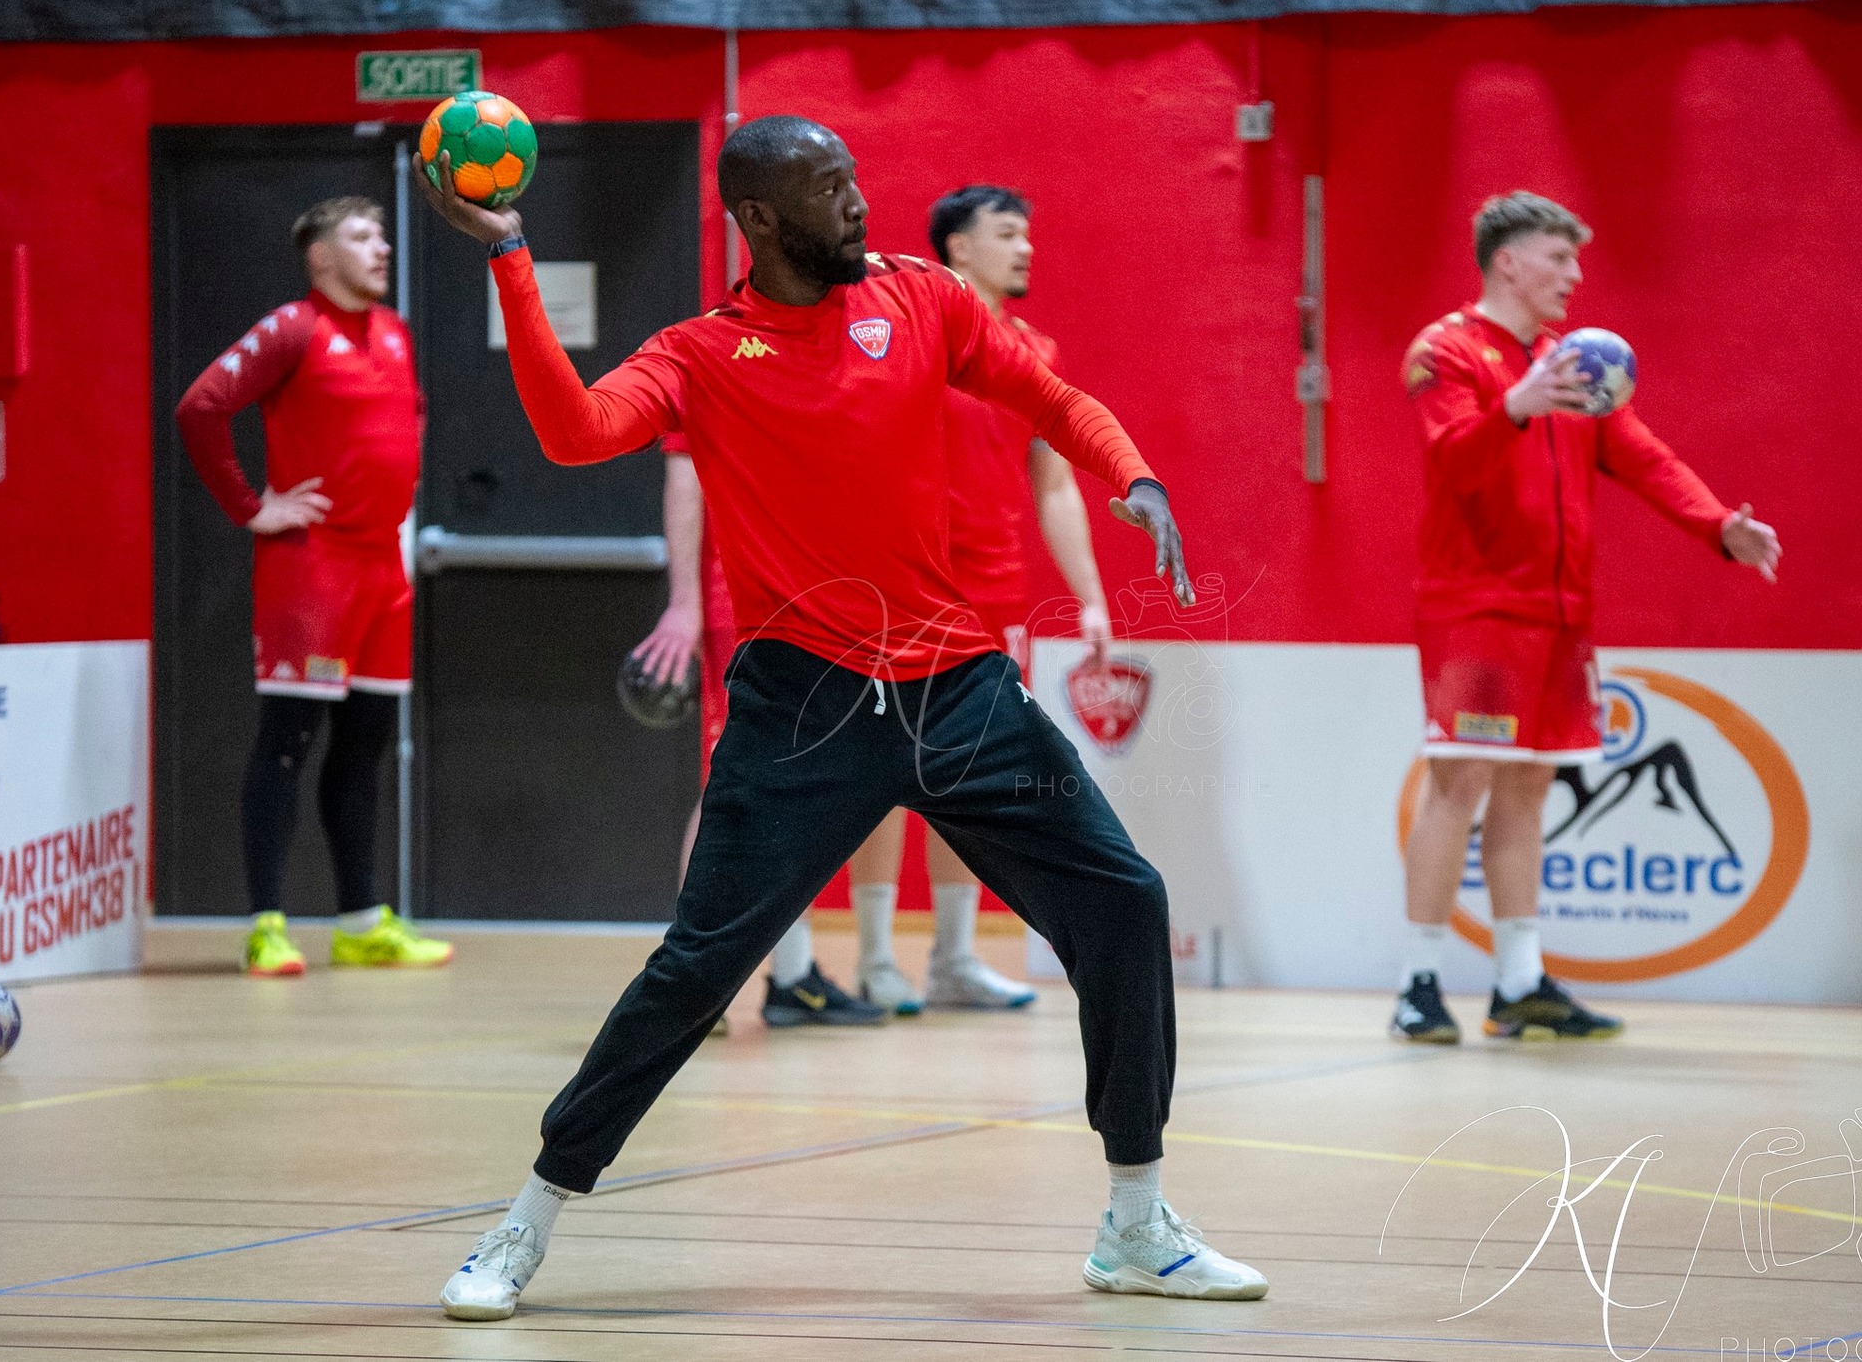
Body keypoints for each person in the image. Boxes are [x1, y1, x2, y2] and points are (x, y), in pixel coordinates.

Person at [420, 115, 1266, 1319]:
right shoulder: (701, 353)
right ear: (761, 220)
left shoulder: (922, 299)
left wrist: (1130, 473)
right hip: (801, 708)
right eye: (828, 189)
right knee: (695, 969)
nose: (859, 203)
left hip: (955, 688)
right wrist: (509, 253)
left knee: (1123, 903)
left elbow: (1046, 393)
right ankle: (524, 1223)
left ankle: (1135, 1219)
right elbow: (573, 431)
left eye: (854, 178)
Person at [1392, 190, 1781, 1044]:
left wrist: (1719, 523)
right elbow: (1452, 463)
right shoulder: (1444, 351)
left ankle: (1519, 981)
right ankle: (1417, 982)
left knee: (1531, 785)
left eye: (1576, 259)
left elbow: (1641, 452)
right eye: (1559, 257)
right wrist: (1517, 407)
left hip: (1563, 614)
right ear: (1508, 262)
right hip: (1478, 609)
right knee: (1461, 778)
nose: (1575, 275)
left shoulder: (1577, 361)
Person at [846, 185, 1115, 1017]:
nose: (1026, 248)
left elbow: (1057, 484)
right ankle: (875, 956)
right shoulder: (911, 338)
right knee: (883, 771)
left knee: (967, 776)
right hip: (901, 588)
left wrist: (1092, 599)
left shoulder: (1035, 352)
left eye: (1027, 233)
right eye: (1006, 234)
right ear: (957, 248)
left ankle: (956, 958)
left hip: (991, 597)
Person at [175, 196, 453, 977]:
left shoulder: (393, 334)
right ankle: (267, 924)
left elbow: (403, 432)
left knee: (364, 746)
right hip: (314, 570)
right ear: (322, 258)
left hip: (380, 569)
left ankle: (362, 919)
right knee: (288, 740)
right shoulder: (294, 327)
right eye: (364, 236)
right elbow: (200, 407)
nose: (384, 248)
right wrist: (252, 507)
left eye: (383, 234)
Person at [634, 448, 884, 1028]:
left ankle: (792, 974)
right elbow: (685, 475)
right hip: (741, 599)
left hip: (804, 596)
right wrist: (684, 602)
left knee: (793, 781)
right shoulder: (703, 357)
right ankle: (690, 983)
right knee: (729, 782)